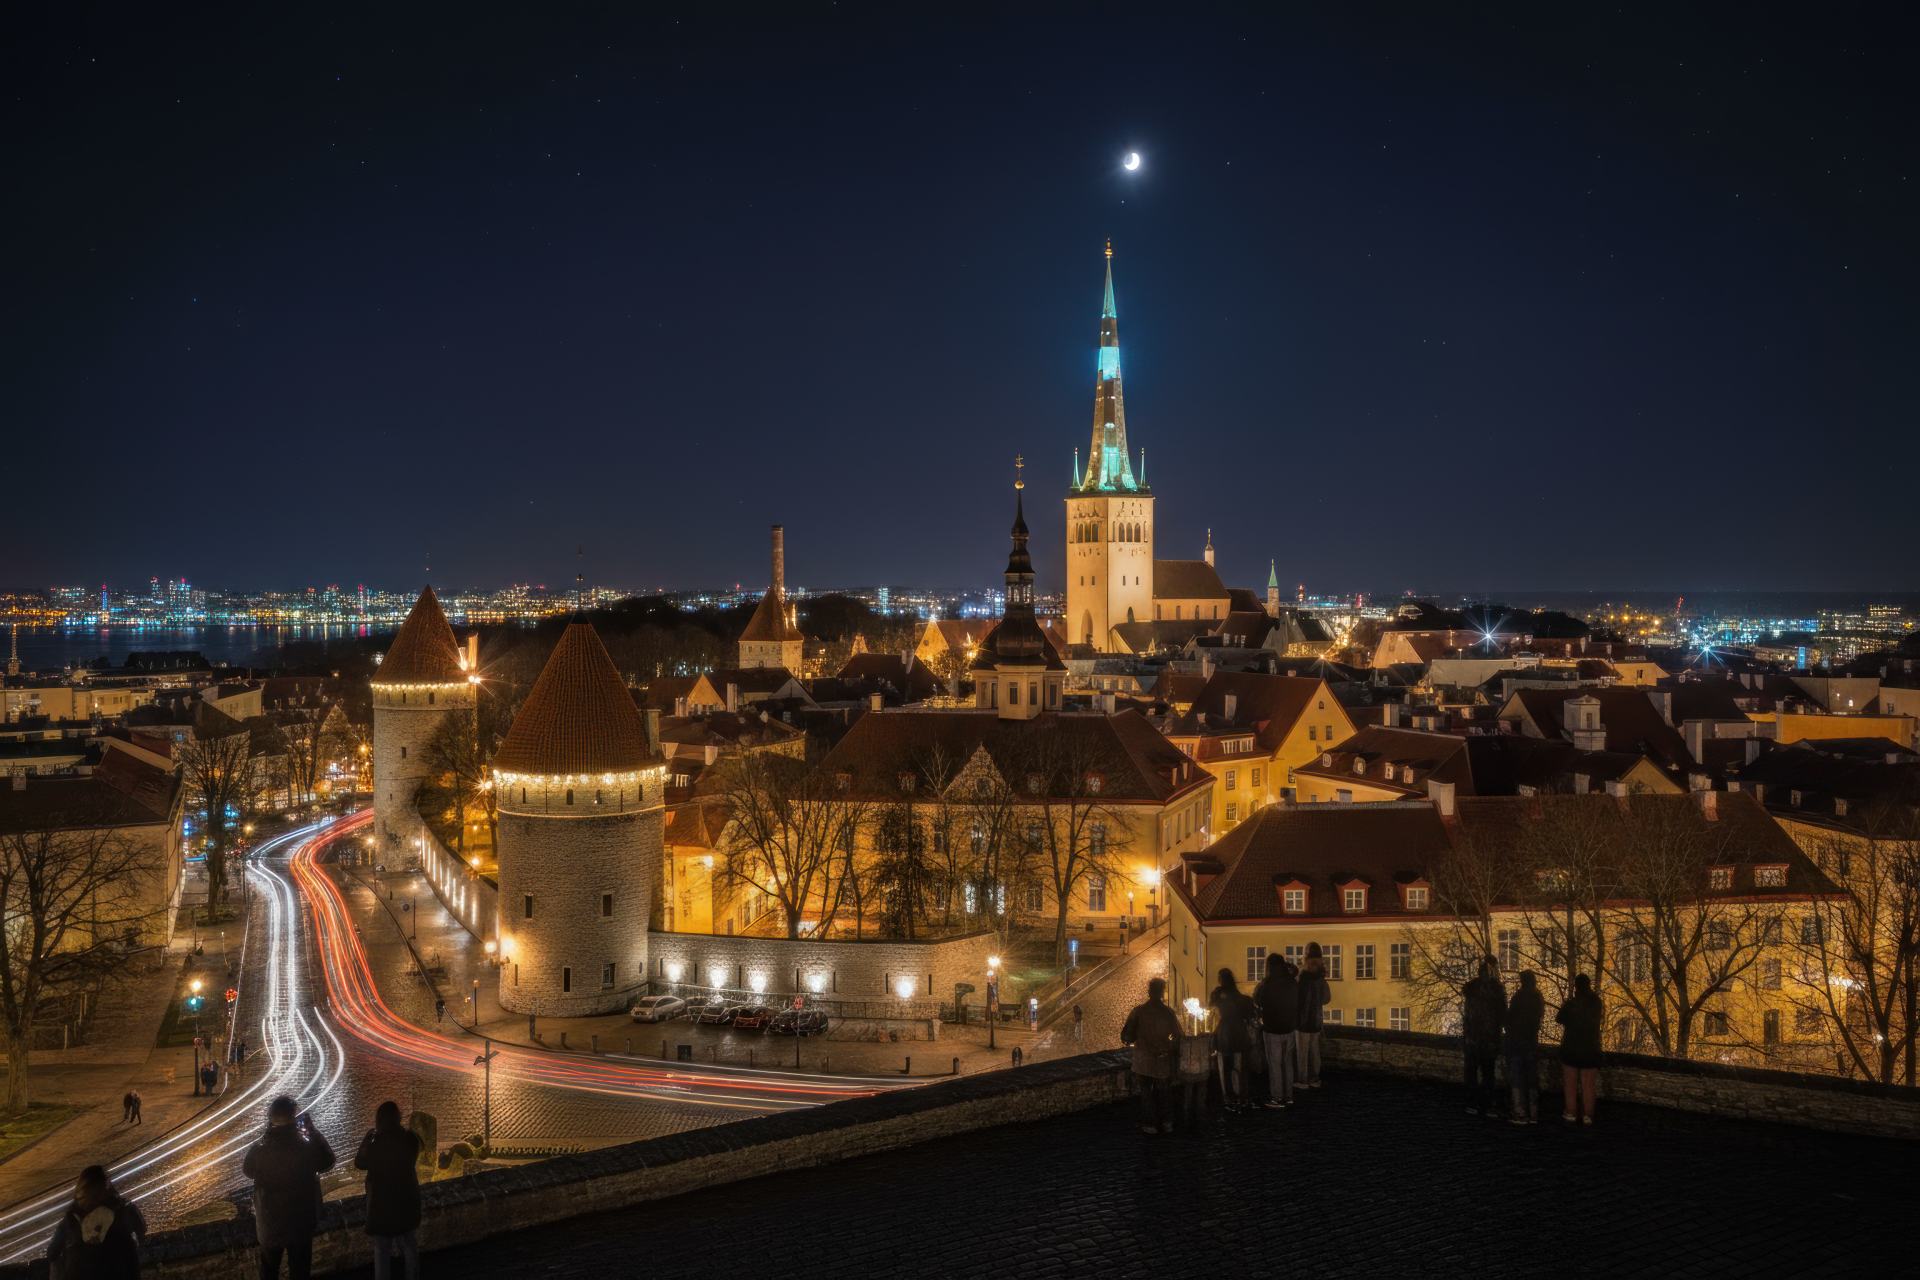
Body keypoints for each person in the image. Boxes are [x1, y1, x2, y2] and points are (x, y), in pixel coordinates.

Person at [242, 1095, 337, 1280]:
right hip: (300, 1223)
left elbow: (248, 1170)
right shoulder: (305, 1147)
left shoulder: (260, 1149)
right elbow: (328, 1161)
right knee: (300, 1271)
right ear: (294, 1118)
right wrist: (312, 1130)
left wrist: (266, 1132)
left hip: (269, 1224)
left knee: (269, 1273)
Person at [354, 1102, 424, 1280]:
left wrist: (368, 1138)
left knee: (382, 1247)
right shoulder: (410, 1139)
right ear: (398, 1117)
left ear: (380, 1119)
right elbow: (418, 1147)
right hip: (407, 1199)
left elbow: (359, 1163)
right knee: (409, 1242)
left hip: (383, 1203)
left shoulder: (376, 1143)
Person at [47, 1165, 145, 1280]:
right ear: (105, 1186)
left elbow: (52, 1253)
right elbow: (141, 1231)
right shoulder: (124, 1208)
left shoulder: (71, 1217)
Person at [1119, 978, 1181, 1134]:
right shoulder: (1168, 1013)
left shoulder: (1138, 1012)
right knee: (1164, 1093)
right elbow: (1178, 1035)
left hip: (1143, 1060)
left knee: (1146, 1093)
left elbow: (1126, 1036)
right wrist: (1166, 1045)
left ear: (1149, 991)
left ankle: (1149, 1124)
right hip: (1162, 1060)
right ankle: (1166, 1122)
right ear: (1162, 993)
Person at [1555, 973, 1605, 1124]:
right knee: (1588, 1083)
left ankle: (1571, 1111)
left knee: (1570, 1081)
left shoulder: (1571, 1004)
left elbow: (1559, 1018)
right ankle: (1588, 1114)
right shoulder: (1596, 1003)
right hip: (1590, 1049)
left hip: (1571, 1048)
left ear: (1576, 986)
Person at [1461, 956, 1508, 1115]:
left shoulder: (1473, 987)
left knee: (1472, 1072)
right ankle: (1487, 1104)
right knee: (1488, 1072)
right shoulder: (1496, 989)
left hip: (1473, 1037)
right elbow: (1502, 1013)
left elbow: (1469, 1014)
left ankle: (1472, 1103)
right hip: (1489, 1038)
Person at [1208, 967, 1259, 1113]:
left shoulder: (1218, 994)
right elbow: (1248, 1015)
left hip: (1225, 1034)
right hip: (1240, 1034)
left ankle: (1229, 1097)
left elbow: (1213, 1009)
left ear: (1221, 979)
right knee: (1241, 1068)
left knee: (1226, 1068)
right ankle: (1242, 1097)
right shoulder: (1239, 997)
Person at [1253, 956, 1300, 1107]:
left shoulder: (1268, 983)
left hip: (1272, 1028)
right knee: (1287, 1063)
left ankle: (1277, 1098)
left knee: (1275, 1065)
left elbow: (1258, 1000)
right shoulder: (1292, 982)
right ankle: (1288, 1096)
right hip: (1289, 1028)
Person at [1504, 970, 1546, 1124]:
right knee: (1531, 1077)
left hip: (1517, 1042)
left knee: (1517, 1077)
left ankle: (1519, 1111)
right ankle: (1533, 1112)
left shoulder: (1519, 997)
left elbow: (1509, 1019)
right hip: (1531, 1042)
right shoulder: (1537, 997)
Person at [1296, 942, 1331, 1089]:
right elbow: (1327, 999)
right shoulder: (1321, 978)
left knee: (1302, 1052)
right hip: (1316, 1019)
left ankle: (1302, 1080)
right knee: (1314, 1050)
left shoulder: (1302, 976)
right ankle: (1315, 1079)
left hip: (1302, 1019)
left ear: (1306, 957)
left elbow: (1296, 998)